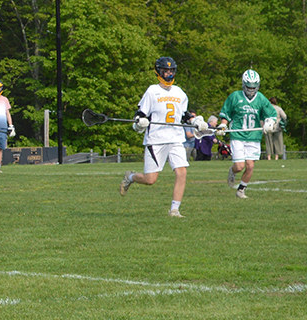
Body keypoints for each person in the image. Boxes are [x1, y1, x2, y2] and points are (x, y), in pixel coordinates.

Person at [119, 57, 208, 218]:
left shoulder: (179, 92)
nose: (169, 74)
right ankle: (130, 177)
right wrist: (140, 122)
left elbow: (183, 115)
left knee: (182, 172)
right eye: (165, 71)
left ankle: (174, 210)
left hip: (175, 139)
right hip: (156, 140)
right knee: (150, 179)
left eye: (171, 71)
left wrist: (195, 121)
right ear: (158, 71)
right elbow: (140, 114)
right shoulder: (152, 91)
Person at [217, 69, 277, 198]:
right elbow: (226, 113)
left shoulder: (260, 98)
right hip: (238, 135)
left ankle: (241, 190)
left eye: (253, 87)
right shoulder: (235, 96)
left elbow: (272, 114)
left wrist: (269, 122)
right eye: (249, 87)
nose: (251, 89)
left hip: (254, 136)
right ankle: (232, 172)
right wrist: (223, 124)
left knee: (250, 166)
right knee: (239, 166)